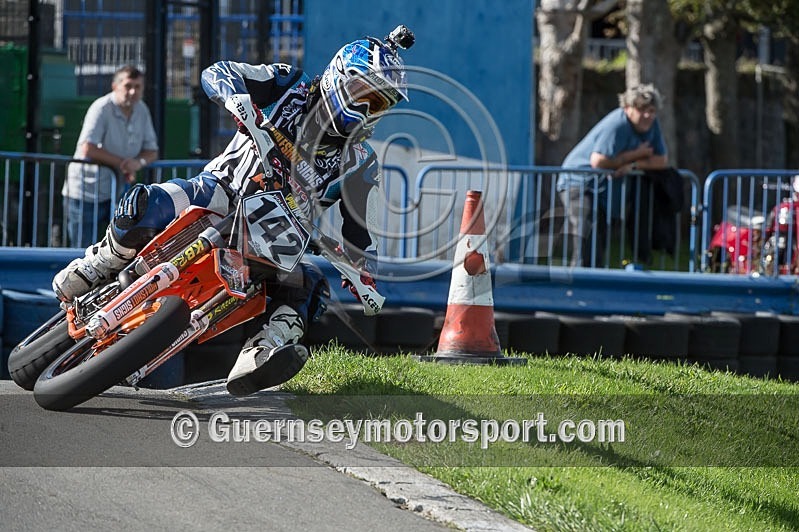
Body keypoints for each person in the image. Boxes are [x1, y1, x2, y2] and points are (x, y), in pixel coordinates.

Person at [52, 25, 415, 396]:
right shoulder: (289, 84)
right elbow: (218, 72)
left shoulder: (360, 163)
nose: (371, 110)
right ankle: (99, 261)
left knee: (311, 287)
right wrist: (236, 99)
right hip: (217, 191)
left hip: (273, 239)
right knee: (148, 202)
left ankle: (262, 352)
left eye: (380, 103)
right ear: (342, 77)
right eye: (366, 95)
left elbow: (360, 232)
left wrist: (365, 275)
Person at [556, 83, 669, 267]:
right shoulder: (617, 124)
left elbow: (661, 160)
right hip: (578, 183)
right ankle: (577, 289)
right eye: (642, 110)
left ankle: (596, 291)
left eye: (652, 110)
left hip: (603, 191)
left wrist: (633, 164)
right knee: (588, 239)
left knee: (600, 243)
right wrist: (635, 154)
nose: (648, 115)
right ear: (628, 108)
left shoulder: (652, 125)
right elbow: (598, 161)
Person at [63, 65, 159, 247]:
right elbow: (88, 148)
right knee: (82, 250)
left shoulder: (142, 110)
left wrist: (138, 163)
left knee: (117, 250)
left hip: (118, 193)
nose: (132, 92)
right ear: (115, 86)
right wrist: (124, 164)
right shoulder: (101, 108)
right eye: (128, 86)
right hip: (86, 191)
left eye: (138, 87)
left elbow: (152, 151)